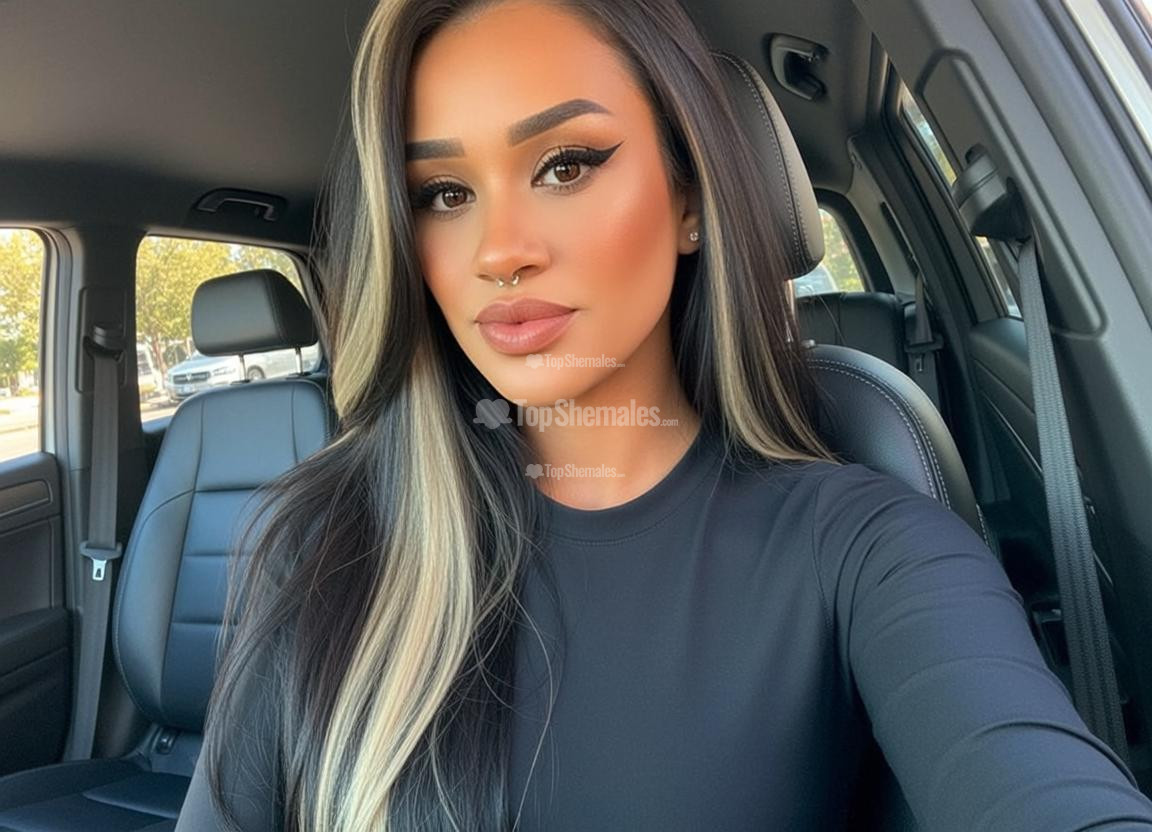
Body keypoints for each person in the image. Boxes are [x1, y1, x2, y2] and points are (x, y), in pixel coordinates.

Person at [175, 0, 1152, 829]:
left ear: (689, 198)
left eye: (565, 164)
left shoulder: (868, 547)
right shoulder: (324, 537)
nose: (498, 251)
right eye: (443, 192)